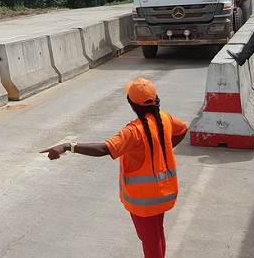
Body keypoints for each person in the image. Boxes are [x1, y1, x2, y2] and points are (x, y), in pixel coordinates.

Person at [40, 77, 188, 258]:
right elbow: (182, 129)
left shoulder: (134, 131)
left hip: (144, 199)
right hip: (164, 193)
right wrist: (163, 149)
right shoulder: (164, 118)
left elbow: (104, 149)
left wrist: (67, 146)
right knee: (157, 235)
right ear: (156, 101)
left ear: (132, 106)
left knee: (150, 241)